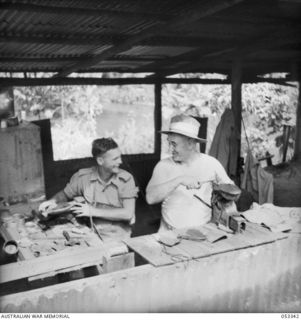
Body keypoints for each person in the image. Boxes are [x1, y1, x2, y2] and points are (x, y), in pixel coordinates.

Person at [146, 114, 234, 232]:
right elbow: (150, 198)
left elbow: (231, 192)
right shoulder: (163, 166)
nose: (169, 149)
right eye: (169, 143)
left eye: (174, 144)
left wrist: (224, 192)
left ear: (191, 143)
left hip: (201, 233)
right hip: (168, 233)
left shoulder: (211, 164)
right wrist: (179, 180)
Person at [39, 138, 138, 241]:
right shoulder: (83, 177)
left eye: (120, 157)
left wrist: (92, 211)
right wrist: (52, 202)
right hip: (91, 233)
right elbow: (64, 194)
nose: (120, 161)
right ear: (100, 161)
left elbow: (128, 213)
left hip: (118, 236)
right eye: (115, 159)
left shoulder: (126, 179)